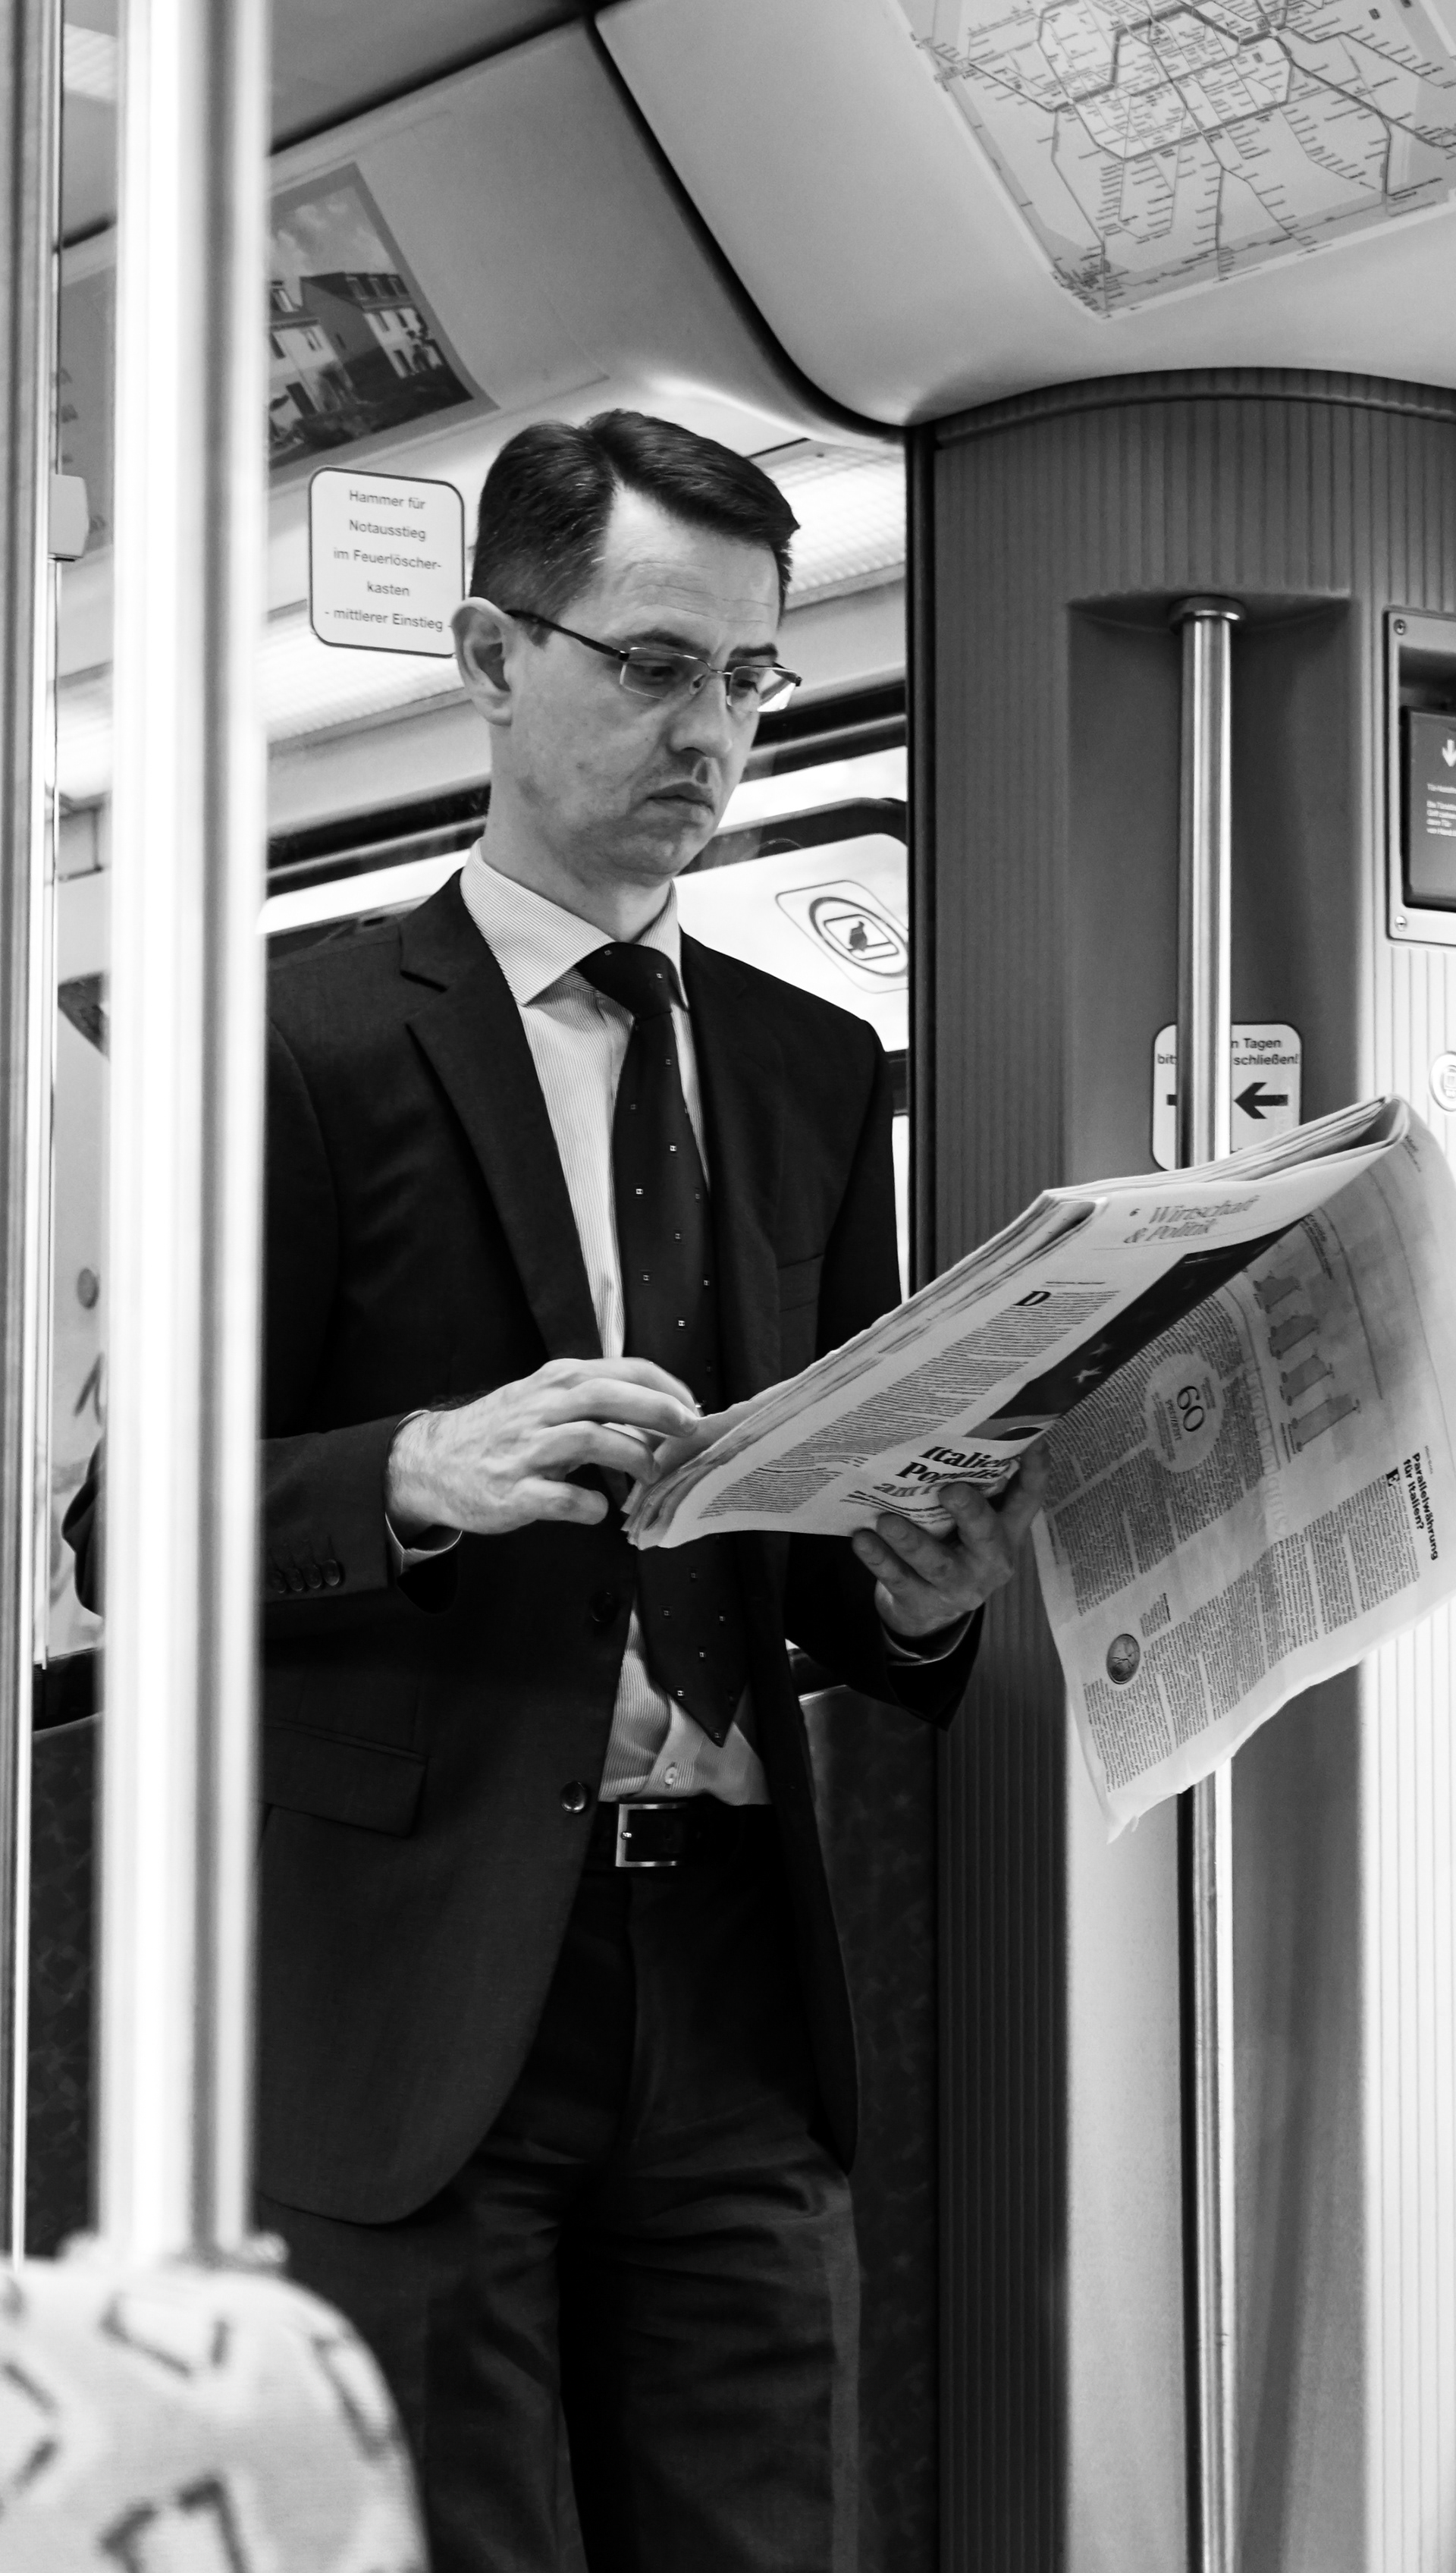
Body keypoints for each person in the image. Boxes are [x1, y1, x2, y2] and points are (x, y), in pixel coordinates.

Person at [68, 410, 1043, 2572]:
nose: (714, 732)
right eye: (656, 665)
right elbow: (122, 1532)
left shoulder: (807, 1068)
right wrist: (416, 1467)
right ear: (495, 655)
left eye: (756, 680)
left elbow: (805, 1552)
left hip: (726, 1981)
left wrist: (910, 1591)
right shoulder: (292, 1046)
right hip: (417, 2000)